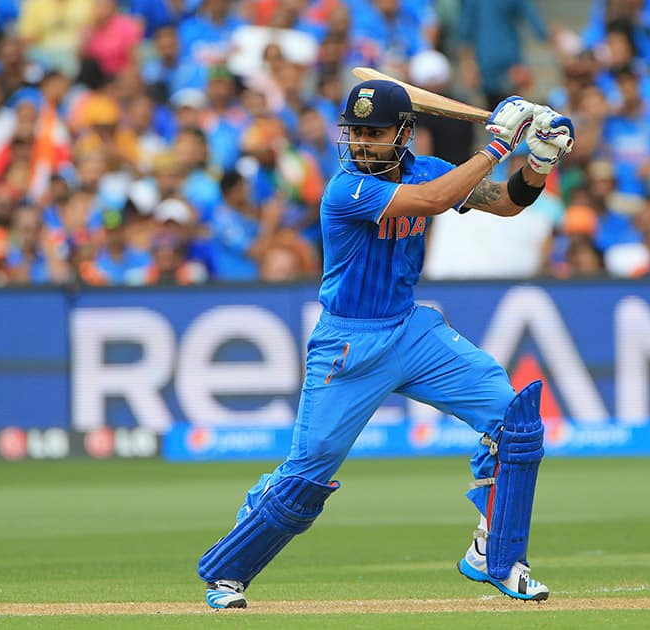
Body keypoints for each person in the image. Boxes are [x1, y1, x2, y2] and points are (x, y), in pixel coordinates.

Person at [197, 79, 574, 608]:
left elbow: (508, 203)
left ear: (403, 133)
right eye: (355, 132)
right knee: (310, 472)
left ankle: (498, 557)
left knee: (514, 420)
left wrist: (538, 161)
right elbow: (433, 201)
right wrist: (497, 144)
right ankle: (228, 571)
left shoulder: (429, 168)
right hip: (349, 344)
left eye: (374, 133)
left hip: (412, 330)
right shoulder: (347, 189)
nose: (360, 144)